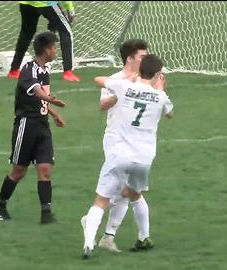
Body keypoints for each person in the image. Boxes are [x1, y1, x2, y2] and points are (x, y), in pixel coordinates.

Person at [81, 55, 173, 259]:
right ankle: (144, 237)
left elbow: (98, 79)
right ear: (158, 75)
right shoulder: (160, 96)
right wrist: (160, 89)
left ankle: (89, 243)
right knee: (135, 195)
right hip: (143, 159)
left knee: (101, 199)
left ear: (140, 71)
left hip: (120, 154)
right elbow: (169, 113)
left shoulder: (125, 87)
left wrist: (126, 81)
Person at [0, 32, 67, 224]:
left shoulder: (44, 71)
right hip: (27, 125)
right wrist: (52, 100)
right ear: (47, 49)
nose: (55, 51)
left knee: (44, 169)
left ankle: (46, 213)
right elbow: (37, 92)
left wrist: (53, 113)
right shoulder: (29, 70)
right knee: (19, 171)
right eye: (54, 47)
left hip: (43, 125)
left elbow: (39, 98)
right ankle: (0, 206)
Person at [94, 39, 149, 253]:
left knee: (130, 191)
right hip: (116, 141)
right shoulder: (115, 79)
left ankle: (138, 236)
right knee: (125, 190)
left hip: (138, 142)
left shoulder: (147, 80)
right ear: (130, 58)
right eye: (142, 56)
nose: (146, 59)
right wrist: (122, 91)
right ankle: (107, 233)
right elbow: (102, 105)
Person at [7, 1, 80, 82]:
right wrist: (70, 10)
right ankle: (68, 71)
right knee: (66, 31)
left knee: (26, 32)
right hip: (47, 3)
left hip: (26, 3)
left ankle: (14, 70)